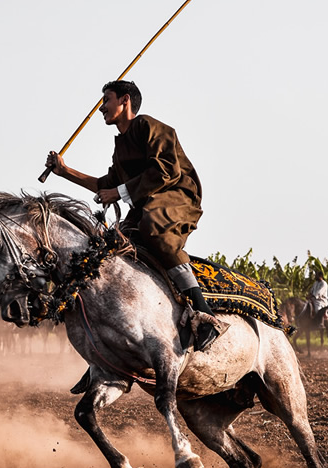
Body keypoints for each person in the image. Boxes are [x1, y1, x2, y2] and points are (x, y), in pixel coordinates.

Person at [45, 79, 227, 352]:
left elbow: (166, 170)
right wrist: (65, 171)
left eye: (106, 100)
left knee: (152, 227)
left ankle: (204, 315)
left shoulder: (149, 126)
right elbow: (105, 185)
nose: (101, 108)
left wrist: (119, 193)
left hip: (177, 196)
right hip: (146, 203)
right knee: (115, 246)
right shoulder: (120, 147)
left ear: (125, 100)